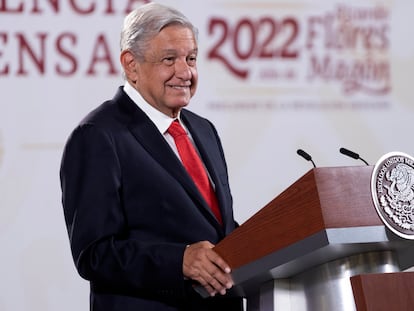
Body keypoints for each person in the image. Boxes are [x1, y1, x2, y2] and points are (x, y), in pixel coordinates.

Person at [59, 2, 243, 311]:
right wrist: (179, 261)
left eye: (191, 58)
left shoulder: (203, 130)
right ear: (131, 65)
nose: (185, 72)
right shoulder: (98, 135)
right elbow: (93, 254)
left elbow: (214, 230)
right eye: (169, 59)